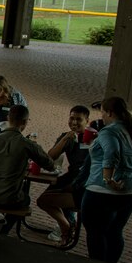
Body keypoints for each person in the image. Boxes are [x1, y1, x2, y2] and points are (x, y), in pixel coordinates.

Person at [77, 96, 132, 263]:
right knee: (115, 230)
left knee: (95, 230)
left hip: (103, 190)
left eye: (103, 113)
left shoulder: (109, 131)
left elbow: (112, 154)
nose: (102, 117)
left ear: (110, 112)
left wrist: (108, 179)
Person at [0, 104, 53, 209]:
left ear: (8, 118)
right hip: (10, 199)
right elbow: (50, 165)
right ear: (25, 122)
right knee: (26, 200)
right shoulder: (28, 144)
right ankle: (5, 226)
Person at [36, 105, 93, 246]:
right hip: (70, 175)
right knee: (43, 199)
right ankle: (65, 224)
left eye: (78, 119)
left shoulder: (93, 138)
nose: (74, 122)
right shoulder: (67, 137)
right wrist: (64, 140)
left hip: (83, 181)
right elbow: (50, 157)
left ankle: (67, 227)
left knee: (49, 199)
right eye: (72, 118)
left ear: (87, 121)